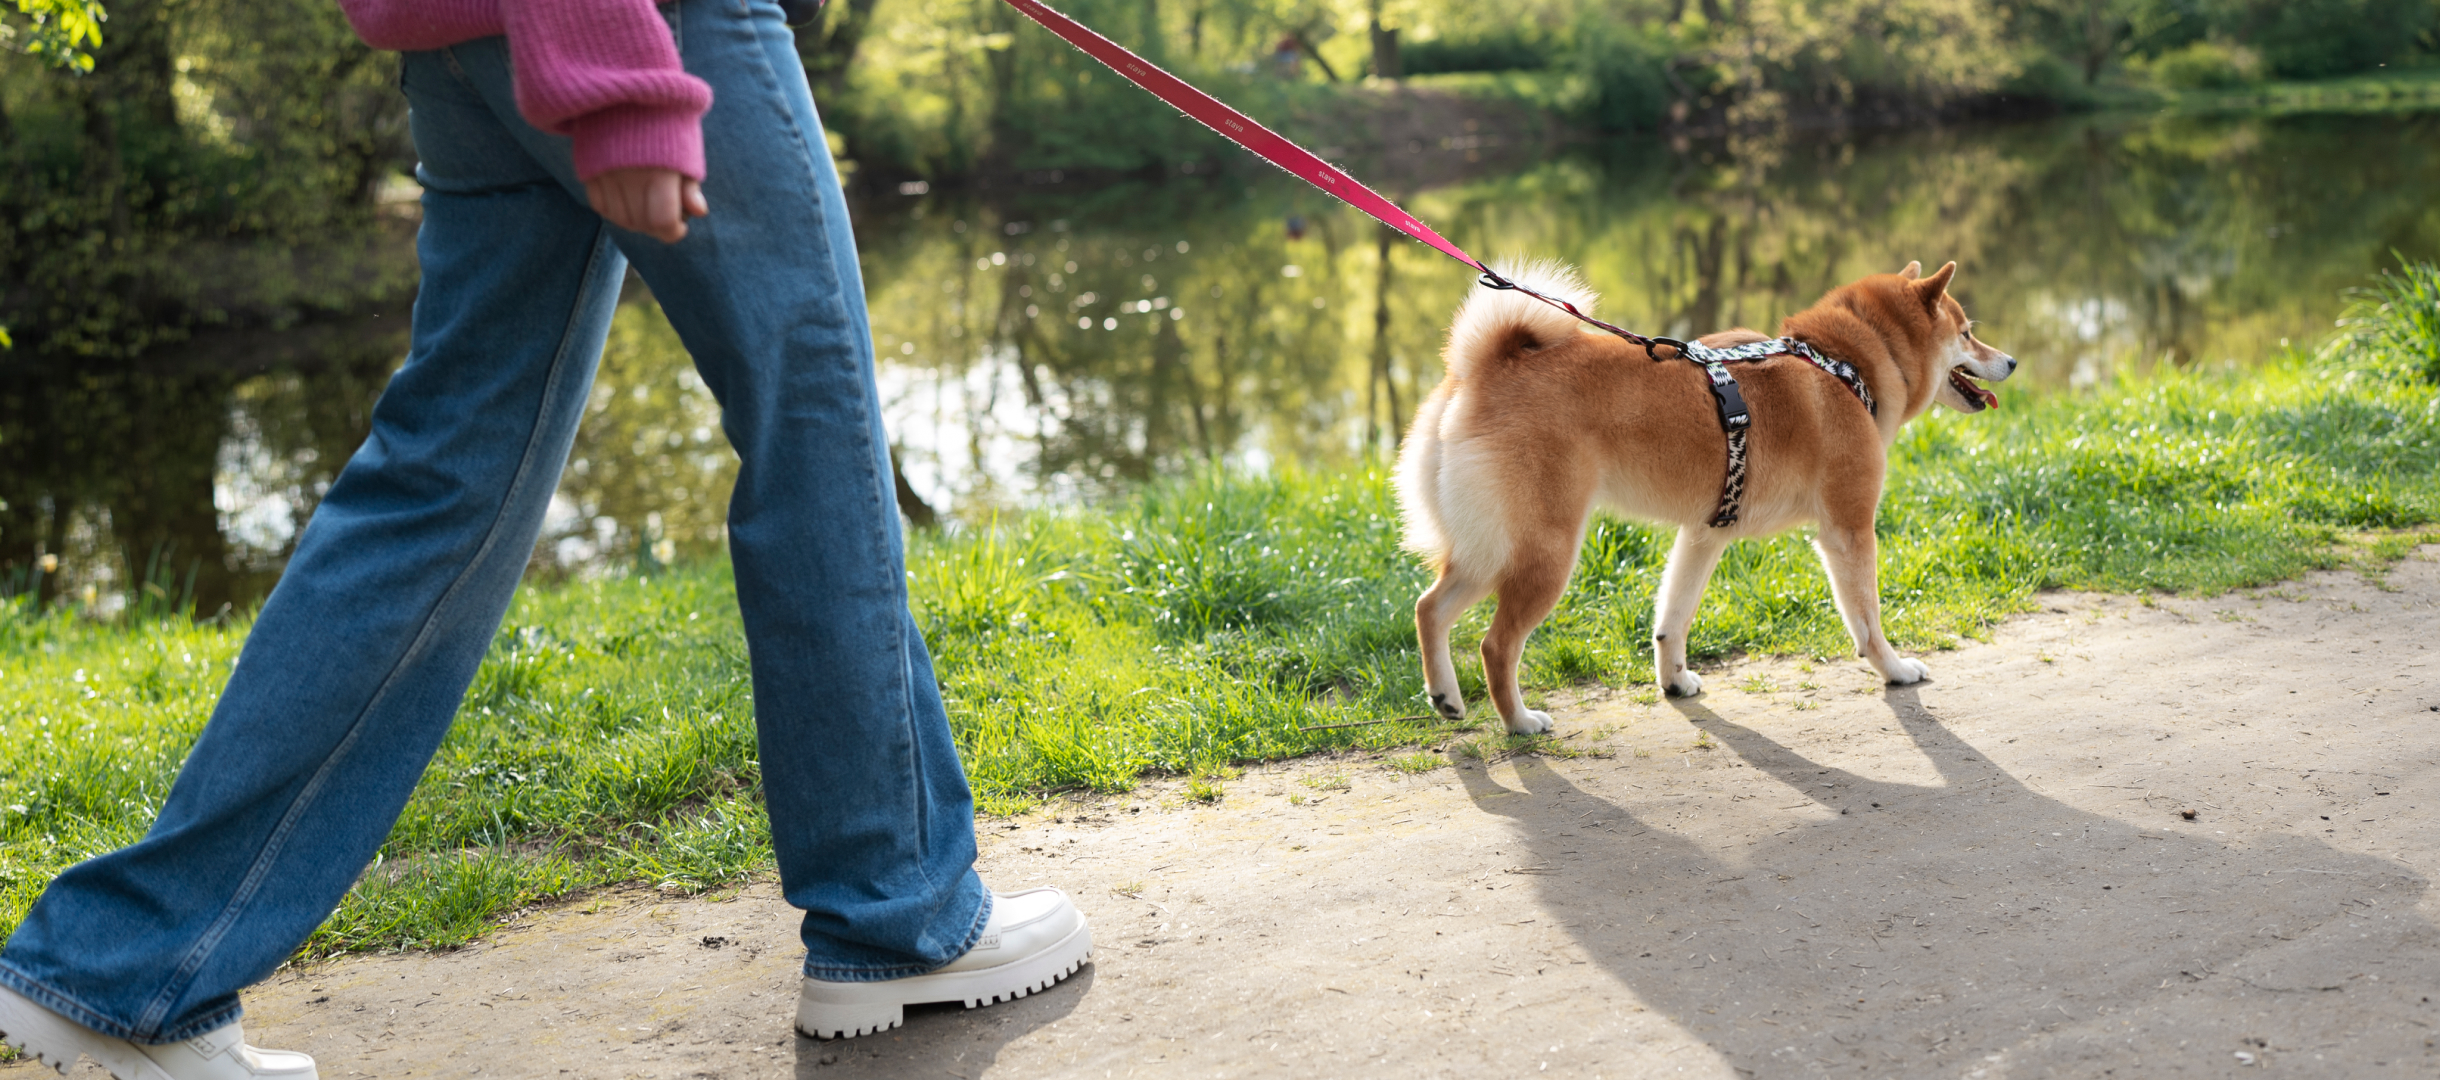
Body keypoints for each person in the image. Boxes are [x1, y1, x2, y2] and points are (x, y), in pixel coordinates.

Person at [0, 2, 1091, 1076]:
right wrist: (614, 78)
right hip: (640, 25)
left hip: (471, 37)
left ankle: (132, 961)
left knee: (441, 486)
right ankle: (896, 912)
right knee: (816, 435)